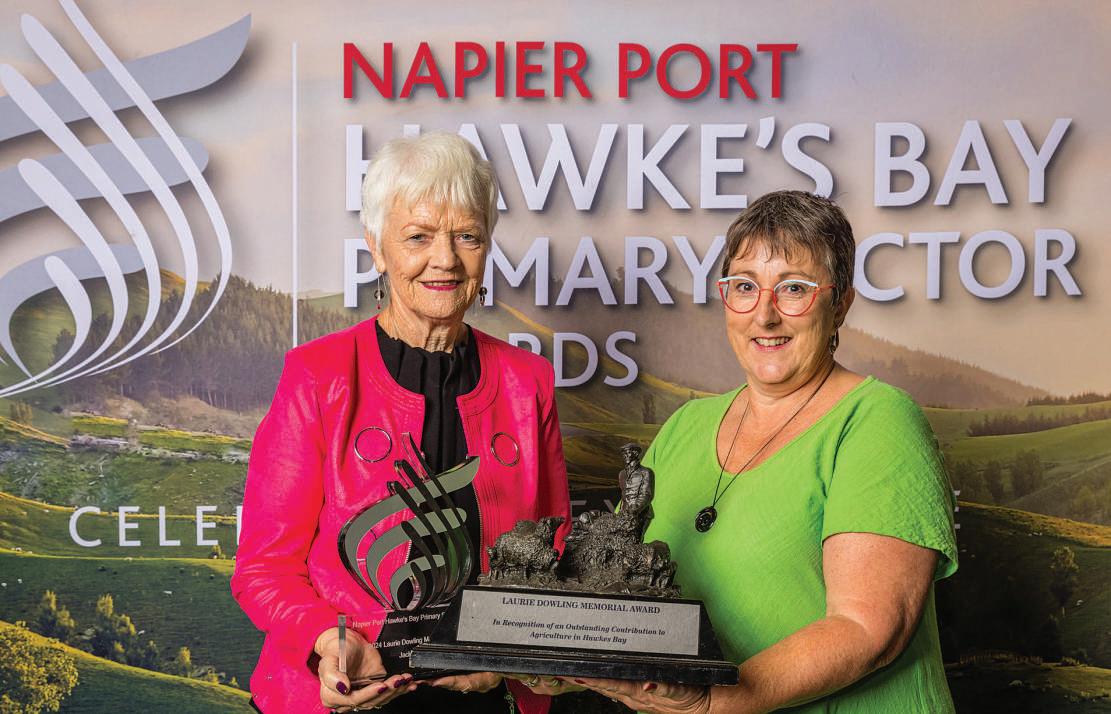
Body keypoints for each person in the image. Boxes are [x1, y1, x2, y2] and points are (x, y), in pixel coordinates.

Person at [572, 191, 958, 713]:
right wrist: (541, 659)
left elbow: (869, 628)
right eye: (745, 286)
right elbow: (615, 593)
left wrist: (710, 702)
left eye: (794, 288)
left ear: (841, 303)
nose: (765, 315)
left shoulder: (878, 420)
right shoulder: (687, 426)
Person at [231, 132, 572, 713]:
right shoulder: (318, 376)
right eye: (418, 236)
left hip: (485, 702)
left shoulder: (528, 383)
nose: (446, 259)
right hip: (344, 698)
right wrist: (329, 640)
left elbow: (554, 555)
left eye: (467, 236)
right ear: (377, 248)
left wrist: (507, 654)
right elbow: (264, 568)